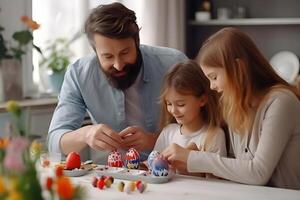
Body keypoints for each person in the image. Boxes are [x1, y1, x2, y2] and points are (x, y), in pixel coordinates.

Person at [47, 2, 187, 163]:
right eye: (108, 56)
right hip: (115, 176)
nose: (118, 64)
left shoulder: (174, 64)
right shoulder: (78, 75)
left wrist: (155, 140)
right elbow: (54, 143)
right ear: (95, 51)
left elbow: (206, 129)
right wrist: (86, 134)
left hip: (173, 172)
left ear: (137, 41)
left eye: (125, 52)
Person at [162, 27, 300, 190]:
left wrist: (194, 159)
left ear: (238, 69)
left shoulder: (282, 102)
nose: (212, 86)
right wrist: (196, 163)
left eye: (214, 77)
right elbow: (236, 165)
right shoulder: (234, 105)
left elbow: (258, 172)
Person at [153, 60, 226, 175]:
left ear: (202, 100)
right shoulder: (168, 132)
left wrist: (193, 163)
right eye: (169, 103)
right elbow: (155, 169)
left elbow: (216, 180)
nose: (174, 110)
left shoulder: (214, 136)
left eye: (181, 104)